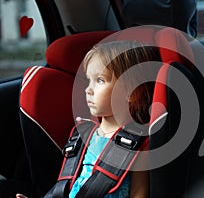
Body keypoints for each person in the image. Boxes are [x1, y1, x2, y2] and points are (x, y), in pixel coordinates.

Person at [16, 40, 161, 198]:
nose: (88, 90)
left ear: (131, 91)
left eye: (100, 80)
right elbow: (71, 186)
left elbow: (138, 194)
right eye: (88, 80)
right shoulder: (82, 134)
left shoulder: (138, 144)